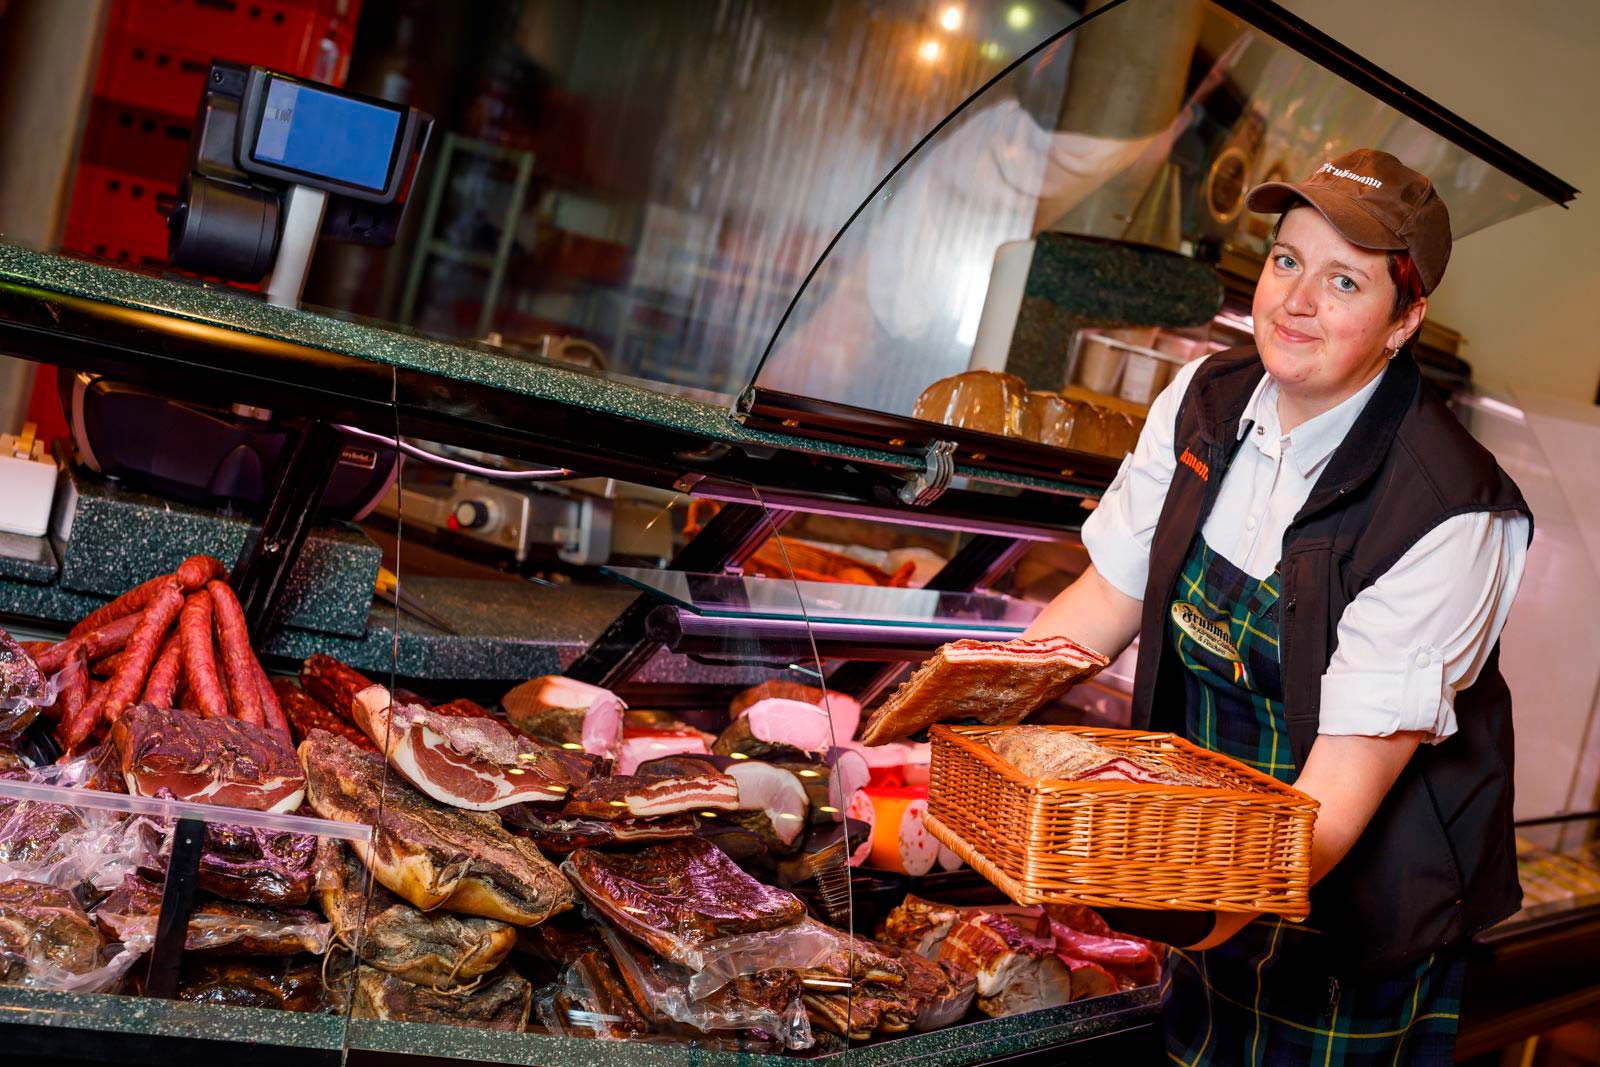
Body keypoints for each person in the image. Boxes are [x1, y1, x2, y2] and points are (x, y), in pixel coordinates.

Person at [1022, 148, 1531, 1063]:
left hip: (1346, 928)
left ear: (1404, 319)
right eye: (1286, 260)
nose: (1296, 300)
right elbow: (1106, 594)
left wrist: (1183, 914)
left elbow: (1334, 801)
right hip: (1206, 870)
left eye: (1344, 279)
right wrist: (963, 731)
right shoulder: (1205, 399)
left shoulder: (1448, 507)